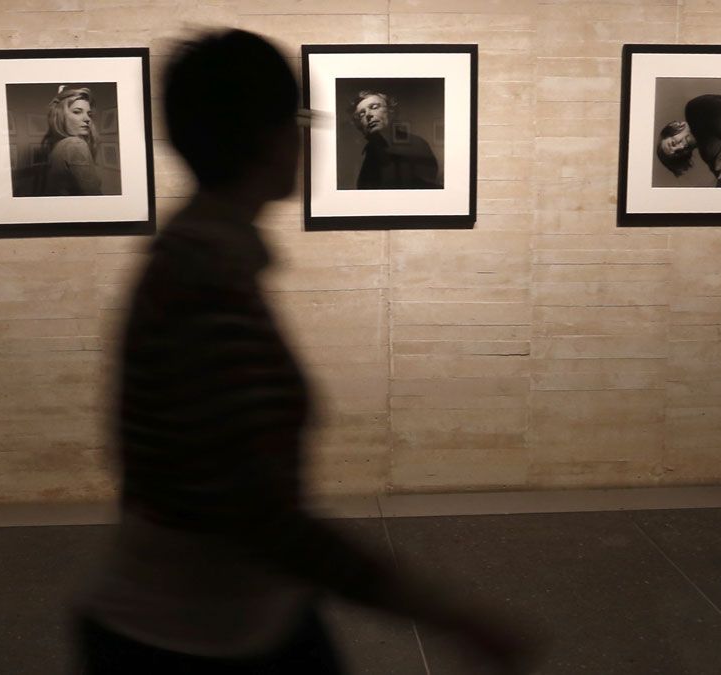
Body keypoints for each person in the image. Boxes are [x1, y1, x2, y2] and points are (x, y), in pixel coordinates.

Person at [74, 29, 539, 674]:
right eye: (302, 119)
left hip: (232, 615)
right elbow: (262, 515)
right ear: (271, 137)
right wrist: (448, 612)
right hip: (192, 639)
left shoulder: (203, 260)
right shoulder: (204, 281)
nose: (310, 135)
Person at [656, 94, 721, 188]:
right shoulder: (705, 153)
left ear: (674, 125)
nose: (681, 147)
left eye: (673, 143)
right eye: (678, 153)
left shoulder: (695, 110)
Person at [350, 90, 441, 189]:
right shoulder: (368, 153)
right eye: (361, 114)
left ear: (391, 112)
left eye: (374, 107)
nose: (368, 115)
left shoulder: (416, 144)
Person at [39, 85, 103, 196]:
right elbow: (94, 198)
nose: (87, 119)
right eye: (77, 112)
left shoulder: (59, 144)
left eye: (89, 114)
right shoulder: (75, 145)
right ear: (61, 116)